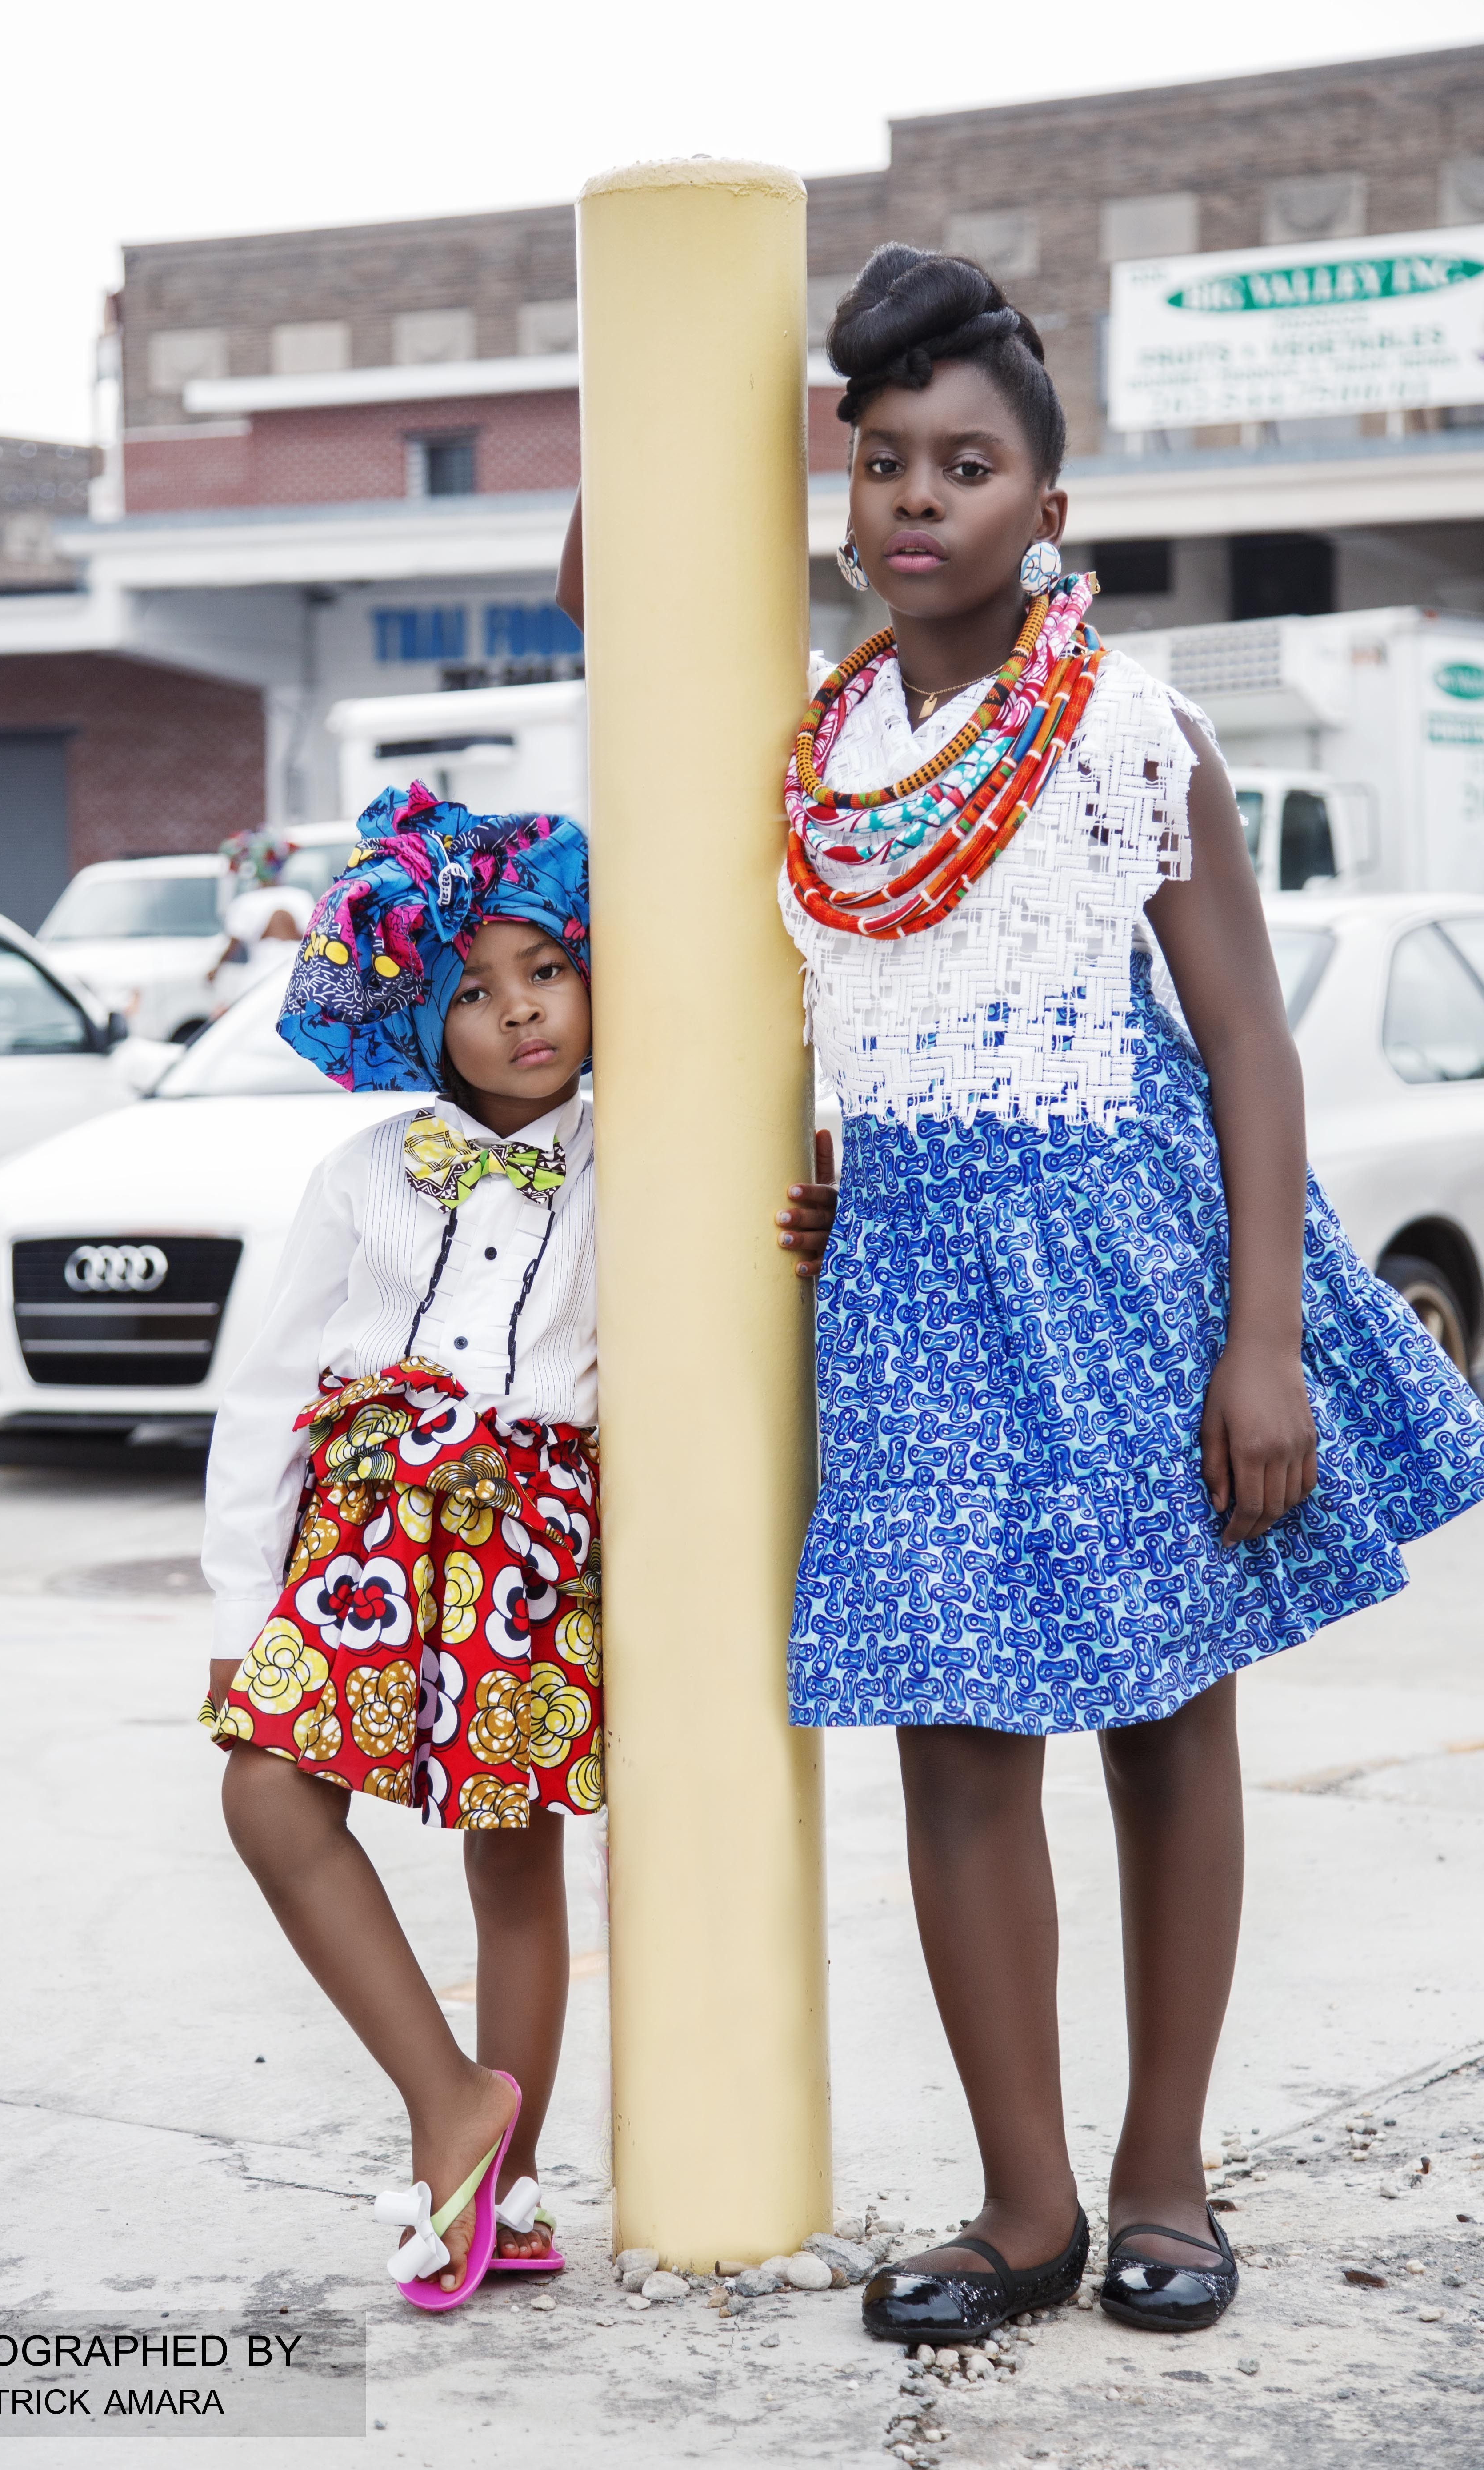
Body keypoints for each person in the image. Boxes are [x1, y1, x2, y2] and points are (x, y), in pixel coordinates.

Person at [766, 245, 1484, 2344]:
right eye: (883, 460)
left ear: (1049, 508)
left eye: (967, 463)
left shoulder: (1125, 730)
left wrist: (1262, 1342)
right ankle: (1024, 2208)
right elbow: (591, 576)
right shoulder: (822, 742)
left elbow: (1248, 1041)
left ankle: (1166, 2173)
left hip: (1127, 1259)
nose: (918, 496)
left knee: (1167, 1712)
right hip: (909, 1281)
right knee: (953, 1732)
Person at [200, 784, 599, 2312]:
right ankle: (448, 2099)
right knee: (266, 1789)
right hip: (362, 1535)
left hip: (531, 1541)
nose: (519, 1011)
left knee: (515, 1849)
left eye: (544, 971)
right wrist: (240, 1607)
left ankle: (505, 2187)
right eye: (473, 991)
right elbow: (266, 1392)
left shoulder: (641, 1156)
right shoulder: (362, 1171)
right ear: (419, 1022)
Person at [208, 882, 316, 1012]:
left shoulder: (247, 902)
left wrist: (216, 969)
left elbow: (234, 944)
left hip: (263, 971)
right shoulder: (300, 898)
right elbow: (314, 937)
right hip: (299, 967)